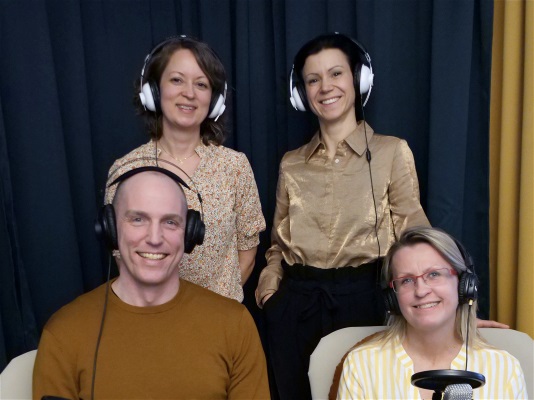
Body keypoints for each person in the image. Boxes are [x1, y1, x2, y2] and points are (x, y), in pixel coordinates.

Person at [255, 33, 431, 399]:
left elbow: (415, 234)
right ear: (301, 92)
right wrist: (271, 288)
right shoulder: (291, 163)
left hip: (366, 301)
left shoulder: (392, 152)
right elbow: (277, 243)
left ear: (358, 80)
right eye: (313, 79)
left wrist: (439, 301)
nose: (325, 87)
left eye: (336, 74)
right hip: (296, 306)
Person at [33, 167, 270, 399]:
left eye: (170, 222)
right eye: (138, 219)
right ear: (110, 229)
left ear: (189, 234)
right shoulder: (63, 333)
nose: (155, 239)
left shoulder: (235, 324)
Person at [105, 35, 265, 302]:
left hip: (218, 319)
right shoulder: (125, 170)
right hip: (151, 318)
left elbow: (247, 253)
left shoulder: (235, 166)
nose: (189, 93)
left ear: (214, 100)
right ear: (154, 90)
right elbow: (124, 258)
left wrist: (213, 311)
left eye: (201, 84)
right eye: (177, 80)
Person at [335, 226, 527, 399]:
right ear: (392, 298)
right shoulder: (362, 365)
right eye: (406, 280)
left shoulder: (504, 368)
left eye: (434, 274)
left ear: (464, 285)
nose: (421, 291)